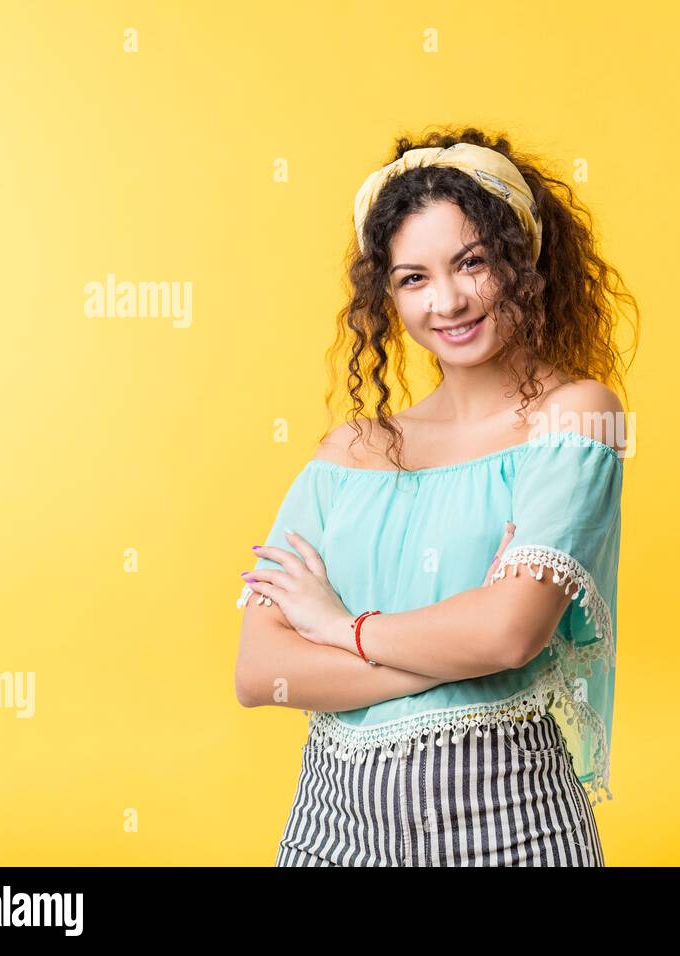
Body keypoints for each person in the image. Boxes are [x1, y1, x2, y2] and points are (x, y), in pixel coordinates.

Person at [233, 127, 639, 867]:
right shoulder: (347, 452)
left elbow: (508, 636)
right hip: (333, 834)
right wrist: (454, 646)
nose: (447, 301)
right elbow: (261, 672)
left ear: (523, 263)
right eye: (412, 278)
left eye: (472, 263)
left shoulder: (578, 415)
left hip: (512, 830)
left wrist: (336, 625)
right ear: (386, 294)